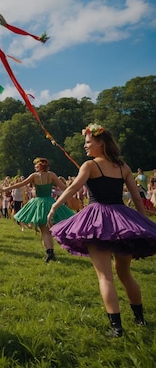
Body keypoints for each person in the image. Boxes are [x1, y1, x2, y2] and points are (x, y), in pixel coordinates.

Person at [47, 124, 156, 337]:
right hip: (122, 220)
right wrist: (141, 222)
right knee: (124, 273)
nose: (85, 147)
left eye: (88, 143)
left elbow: (72, 188)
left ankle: (117, 328)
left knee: (105, 276)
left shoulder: (90, 166)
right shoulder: (123, 167)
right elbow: (135, 196)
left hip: (97, 221)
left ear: (101, 143)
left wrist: (54, 206)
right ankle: (140, 319)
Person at [4, 157, 74, 262]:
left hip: (39, 204)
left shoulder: (34, 176)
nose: (35, 167)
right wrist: (75, 186)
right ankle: (53, 251)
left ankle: (50, 252)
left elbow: (21, 184)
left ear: (39, 166)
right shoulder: (52, 175)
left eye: (36, 165)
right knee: (49, 230)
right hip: (50, 203)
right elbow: (64, 187)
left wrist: (7, 188)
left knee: (44, 231)